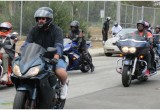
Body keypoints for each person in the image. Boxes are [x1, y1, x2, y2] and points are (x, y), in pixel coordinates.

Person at [20, 7, 68, 100]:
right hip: (37, 56)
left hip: (53, 57)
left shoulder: (57, 30)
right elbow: (27, 43)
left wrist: (56, 56)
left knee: (60, 72)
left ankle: (64, 85)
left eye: (43, 18)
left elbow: (59, 45)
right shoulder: (34, 29)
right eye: (38, 18)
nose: (40, 21)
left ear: (48, 19)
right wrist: (22, 52)